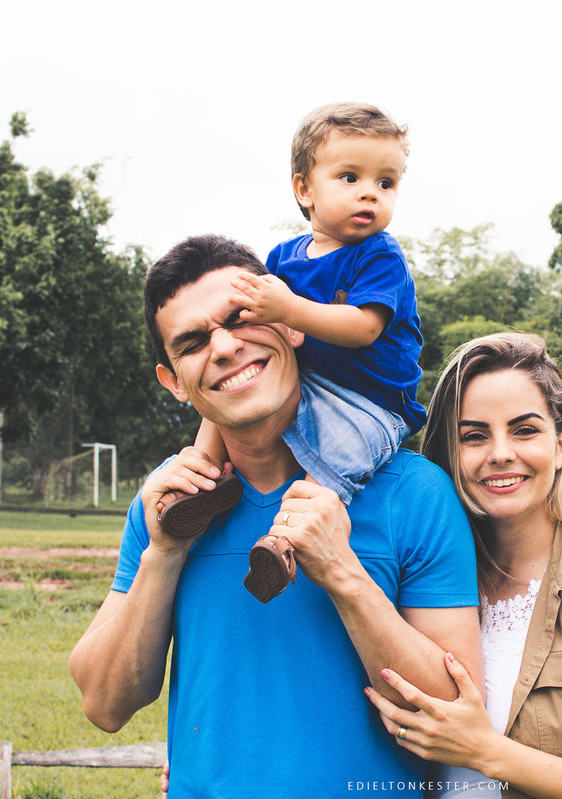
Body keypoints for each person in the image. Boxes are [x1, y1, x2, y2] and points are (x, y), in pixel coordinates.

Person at [68, 235, 481, 797]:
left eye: (240, 318)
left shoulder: (415, 493)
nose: (223, 348)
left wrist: (342, 573)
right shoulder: (169, 502)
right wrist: (163, 552)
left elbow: (456, 715)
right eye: (191, 343)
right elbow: (104, 703)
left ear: (291, 323)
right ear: (174, 382)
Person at [365, 333, 562, 799]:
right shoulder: (421, 582)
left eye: (524, 430)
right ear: (448, 454)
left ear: (561, 446)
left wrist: (486, 752)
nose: (500, 452)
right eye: (474, 436)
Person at [164, 102, 424, 603]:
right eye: (349, 177)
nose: (370, 191)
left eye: (386, 182)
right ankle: (201, 479)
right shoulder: (284, 257)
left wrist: (290, 309)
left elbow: (365, 327)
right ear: (304, 188)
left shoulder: (379, 256)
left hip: (371, 401)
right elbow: (263, 317)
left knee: (335, 461)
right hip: (308, 379)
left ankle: (282, 544)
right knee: (228, 396)